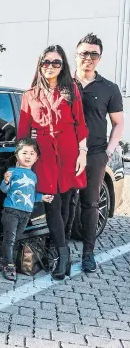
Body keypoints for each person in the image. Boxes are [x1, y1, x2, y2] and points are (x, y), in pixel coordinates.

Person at [17, 45, 89, 280]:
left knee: (67, 202)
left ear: (63, 66)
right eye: (46, 62)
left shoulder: (72, 90)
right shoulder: (29, 95)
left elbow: (80, 124)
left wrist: (82, 153)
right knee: (52, 204)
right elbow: (23, 132)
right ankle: (63, 254)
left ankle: (60, 252)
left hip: (69, 152)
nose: (50, 66)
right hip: (44, 155)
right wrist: (22, 162)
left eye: (55, 63)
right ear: (40, 65)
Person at [73, 33, 124, 272]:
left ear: (100, 58)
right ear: (77, 55)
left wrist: (108, 151)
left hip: (94, 154)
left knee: (90, 203)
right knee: (62, 202)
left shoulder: (109, 88)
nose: (89, 58)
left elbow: (118, 123)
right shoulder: (63, 84)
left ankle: (88, 253)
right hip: (64, 153)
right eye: (84, 53)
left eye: (94, 54)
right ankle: (57, 250)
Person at [0, 138, 53, 281]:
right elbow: (4, 190)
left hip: (26, 213)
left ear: (37, 157)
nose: (28, 156)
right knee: (10, 238)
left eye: (32, 153)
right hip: (11, 210)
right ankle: (9, 265)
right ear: (17, 155)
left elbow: (31, 195)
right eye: (24, 152)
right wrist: (6, 181)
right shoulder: (12, 171)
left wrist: (42, 197)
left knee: (15, 238)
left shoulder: (33, 176)